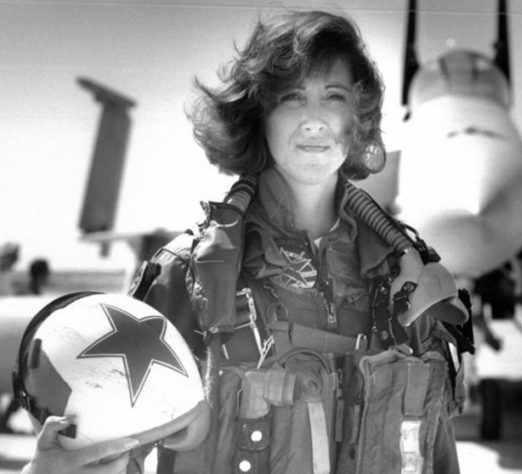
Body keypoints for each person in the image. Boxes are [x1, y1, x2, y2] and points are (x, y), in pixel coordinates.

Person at [22, 9, 470, 474]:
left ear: (356, 118)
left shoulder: (407, 281)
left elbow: (435, 448)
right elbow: (114, 452)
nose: (315, 120)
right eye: (292, 97)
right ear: (260, 116)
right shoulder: (191, 274)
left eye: (334, 96)